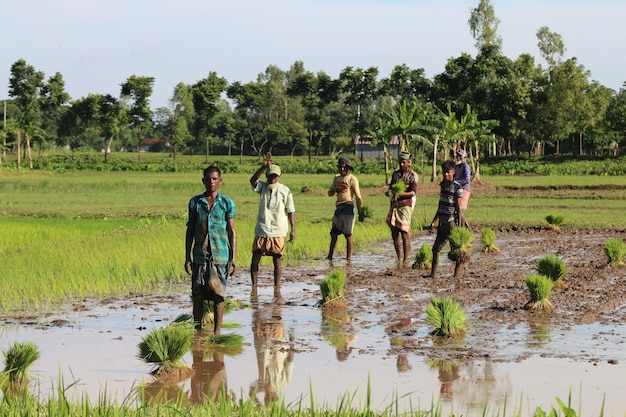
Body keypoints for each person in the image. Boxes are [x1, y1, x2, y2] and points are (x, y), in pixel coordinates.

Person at [185, 165, 236, 334]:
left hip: (220, 256)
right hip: (200, 255)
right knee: (198, 294)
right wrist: (187, 257)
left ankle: (217, 333)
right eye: (208, 179)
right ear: (203, 181)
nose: (211, 182)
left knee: (218, 295)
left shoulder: (227, 203)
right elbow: (190, 231)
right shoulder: (195, 202)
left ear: (220, 181)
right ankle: (198, 330)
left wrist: (233, 258)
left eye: (215, 179)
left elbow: (231, 231)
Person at [249, 153, 296, 289]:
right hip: (262, 228)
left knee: (277, 259)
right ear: (266, 176)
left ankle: (276, 287)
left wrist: (293, 229)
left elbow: (291, 210)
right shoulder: (262, 187)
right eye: (270, 175)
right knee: (256, 257)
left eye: (275, 176)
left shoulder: (285, 191)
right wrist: (263, 167)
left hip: (278, 229)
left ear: (279, 177)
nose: (272, 178)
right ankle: (254, 286)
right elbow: (252, 181)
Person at [423, 160, 465, 279]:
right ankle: (433, 274)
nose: (446, 175)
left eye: (448, 172)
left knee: (456, 251)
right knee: (436, 249)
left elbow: (459, 207)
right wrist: (434, 221)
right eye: (444, 172)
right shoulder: (443, 185)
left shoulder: (457, 187)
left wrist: (460, 224)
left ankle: (456, 276)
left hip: (451, 223)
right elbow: (440, 205)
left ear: (453, 172)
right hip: (442, 223)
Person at [326, 157, 364, 261]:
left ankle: (348, 258)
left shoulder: (352, 179)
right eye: (340, 167)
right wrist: (334, 190)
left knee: (348, 234)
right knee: (333, 233)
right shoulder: (336, 178)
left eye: (344, 167)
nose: (342, 169)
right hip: (338, 208)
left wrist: (360, 212)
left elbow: (357, 195)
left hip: (348, 208)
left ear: (348, 167)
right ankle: (330, 256)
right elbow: (329, 193)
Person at [385, 151, 419, 265]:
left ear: (409, 163)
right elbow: (391, 187)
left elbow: (413, 193)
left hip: (405, 205)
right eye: (400, 162)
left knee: (404, 231)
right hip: (394, 205)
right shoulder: (395, 174)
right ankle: (398, 257)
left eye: (404, 162)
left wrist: (401, 194)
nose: (402, 164)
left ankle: (406, 258)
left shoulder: (413, 175)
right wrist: (389, 192)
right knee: (394, 231)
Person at [455, 149, 471, 226]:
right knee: (456, 207)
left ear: (464, 157)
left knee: (460, 208)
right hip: (457, 188)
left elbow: (467, 180)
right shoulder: (456, 167)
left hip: (464, 189)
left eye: (460, 156)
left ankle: (464, 225)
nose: (458, 157)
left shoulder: (466, 167)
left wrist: (456, 182)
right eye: (457, 156)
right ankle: (464, 225)